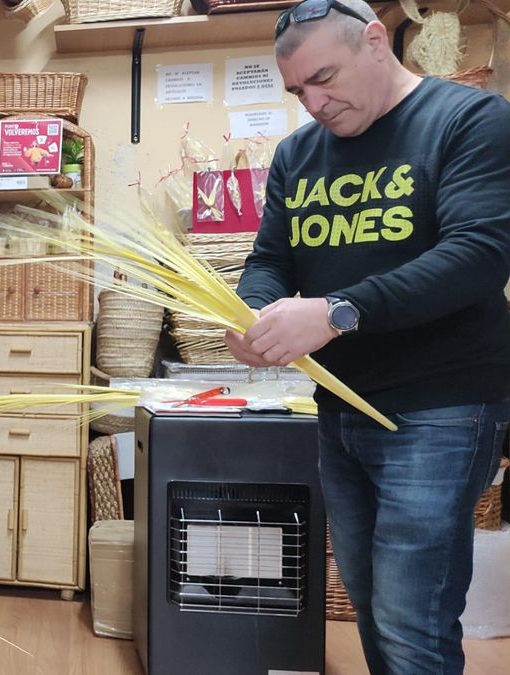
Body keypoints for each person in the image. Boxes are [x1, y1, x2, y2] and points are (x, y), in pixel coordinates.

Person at [226, 1, 510, 672]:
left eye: (326, 77)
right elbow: (271, 260)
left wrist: (334, 312)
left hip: (440, 409)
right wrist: (249, 312)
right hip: (342, 409)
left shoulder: (469, 119)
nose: (315, 103)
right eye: (298, 91)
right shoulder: (299, 154)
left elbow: (478, 254)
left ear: (376, 42)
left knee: (412, 619)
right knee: (371, 604)